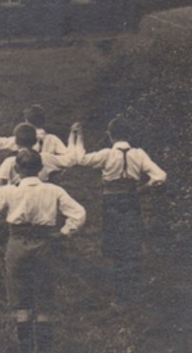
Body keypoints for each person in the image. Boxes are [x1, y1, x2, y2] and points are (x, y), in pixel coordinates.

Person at [0, 150, 85, 353]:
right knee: (44, 298)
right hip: (45, 244)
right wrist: (64, 232)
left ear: (16, 169)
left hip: (17, 244)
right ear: (41, 169)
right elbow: (79, 213)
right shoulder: (54, 190)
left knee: (21, 299)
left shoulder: (11, 191)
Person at [63, 117, 168, 300]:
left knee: (117, 244)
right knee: (132, 242)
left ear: (110, 135)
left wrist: (77, 136)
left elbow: (80, 159)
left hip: (112, 202)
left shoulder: (106, 154)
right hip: (131, 200)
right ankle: (131, 288)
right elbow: (160, 176)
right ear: (129, 134)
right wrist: (144, 187)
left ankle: (122, 292)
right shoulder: (139, 154)